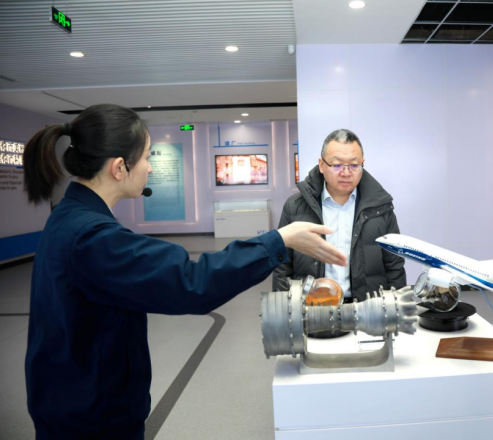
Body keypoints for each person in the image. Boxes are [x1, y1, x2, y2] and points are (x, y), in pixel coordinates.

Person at [22, 104, 347, 439]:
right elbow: (191, 281)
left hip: (72, 404)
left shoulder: (68, 218)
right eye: (146, 157)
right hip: (91, 421)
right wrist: (279, 240)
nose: (150, 167)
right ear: (119, 168)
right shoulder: (92, 238)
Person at [273, 129, 406, 302]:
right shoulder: (295, 207)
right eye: (337, 165)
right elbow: (282, 266)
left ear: (362, 164)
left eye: (354, 165)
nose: (346, 173)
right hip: (311, 307)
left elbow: (394, 266)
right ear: (321, 165)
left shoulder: (380, 208)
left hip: (368, 308)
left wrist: (397, 308)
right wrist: (285, 309)